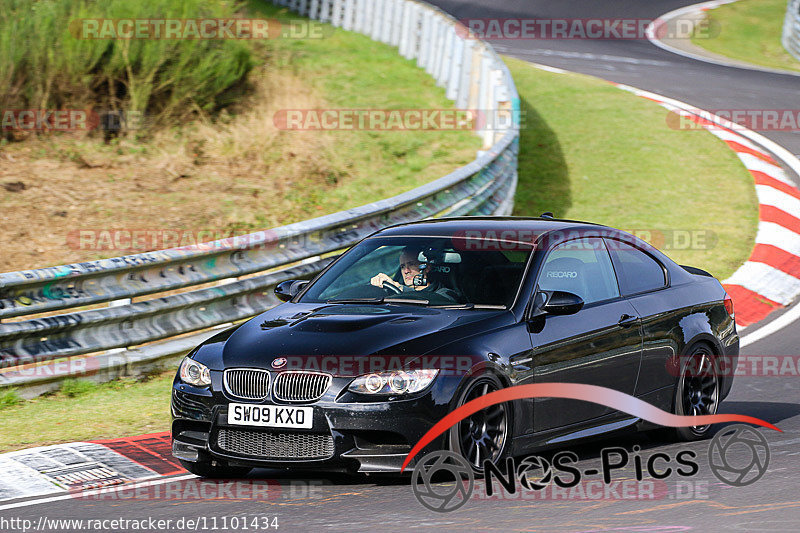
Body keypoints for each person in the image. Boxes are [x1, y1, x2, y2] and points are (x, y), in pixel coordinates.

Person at [370, 246, 460, 302]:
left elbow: (431, 300)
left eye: (411, 264)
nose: (406, 271)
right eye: (402, 266)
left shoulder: (445, 293)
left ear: (427, 267)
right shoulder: (394, 290)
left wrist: (400, 288)